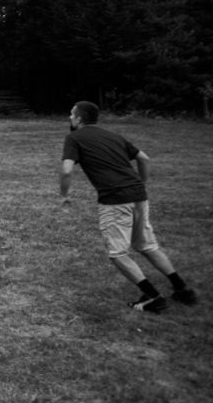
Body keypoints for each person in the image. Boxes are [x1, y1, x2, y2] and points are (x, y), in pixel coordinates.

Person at [60, 101, 198, 312]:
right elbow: (144, 158)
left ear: (79, 118)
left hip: (115, 200)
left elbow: (67, 170)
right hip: (138, 195)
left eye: (71, 115)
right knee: (146, 245)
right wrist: (141, 183)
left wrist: (65, 195)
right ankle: (182, 290)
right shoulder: (112, 135)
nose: (69, 118)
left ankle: (153, 297)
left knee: (117, 253)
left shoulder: (74, 138)